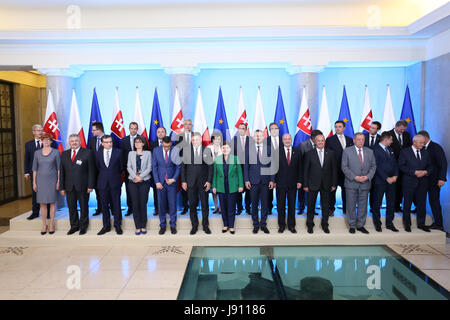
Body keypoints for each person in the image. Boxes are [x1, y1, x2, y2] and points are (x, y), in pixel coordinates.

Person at [60, 134, 95, 235]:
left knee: (84, 207)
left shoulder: (87, 153)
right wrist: (62, 187)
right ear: (69, 142)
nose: (74, 142)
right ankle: (74, 226)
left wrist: (90, 185)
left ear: (80, 142)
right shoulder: (64, 154)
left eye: (76, 140)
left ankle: (83, 226)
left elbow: (91, 171)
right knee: (72, 207)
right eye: (72, 141)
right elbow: (62, 172)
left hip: (83, 186)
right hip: (69, 186)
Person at [341, 133, 376, 234]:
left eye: (362, 140)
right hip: (351, 183)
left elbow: (373, 166)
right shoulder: (347, 151)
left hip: (365, 183)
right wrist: (354, 177)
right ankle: (352, 225)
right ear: (354, 140)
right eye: (358, 139)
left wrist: (368, 177)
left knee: (363, 205)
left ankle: (360, 225)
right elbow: (344, 167)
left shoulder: (370, 151)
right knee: (350, 205)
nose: (361, 141)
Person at [302, 134, 337, 234]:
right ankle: (310, 224)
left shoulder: (331, 153)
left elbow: (334, 170)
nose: (320, 142)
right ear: (315, 142)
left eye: (322, 140)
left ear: (324, 141)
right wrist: (305, 184)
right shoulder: (309, 153)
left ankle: (325, 224)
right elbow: (306, 170)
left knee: (325, 206)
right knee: (311, 205)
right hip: (312, 184)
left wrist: (334, 184)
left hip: (327, 184)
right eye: (318, 141)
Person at [398, 134, 433, 232]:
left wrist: (426, 172)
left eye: (423, 142)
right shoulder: (405, 152)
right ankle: (407, 224)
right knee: (407, 203)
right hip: (409, 182)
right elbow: (401, 166)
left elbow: (431, 166)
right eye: (421, 142)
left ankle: (421, 224)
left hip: (423, 182)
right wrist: (414, 172)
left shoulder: (426, 152)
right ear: (414, 142)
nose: (423, 144)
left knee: (421, 204)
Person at [181, 132, 213, 235]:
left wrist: (209, 181)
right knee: (192, 205)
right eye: (193, 140)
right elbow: (183, 168)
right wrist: (184, 181)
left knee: (205, 205)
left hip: (203, 183)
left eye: (197, 139)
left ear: (201, 140)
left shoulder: (207, 150)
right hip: (190, 183)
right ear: (191, 140)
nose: (195, 141)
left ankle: (205, 226)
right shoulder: (186, 151)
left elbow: (210, 167)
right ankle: (194, 226)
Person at [244, 130, 275, 234]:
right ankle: (256, 225)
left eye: (260, 136)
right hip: (253, 181)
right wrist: (246, 180)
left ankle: (263, 224)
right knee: (254, 204)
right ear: (253, 137)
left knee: (265, 204)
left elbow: (272, 166)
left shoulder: (269, 149)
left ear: (264, 137)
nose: (258, 137)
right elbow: (246, 166)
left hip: (266, 181)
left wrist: (272, 179)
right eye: (256, 136)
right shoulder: (248, 149)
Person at [24, 124, 56, 220]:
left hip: (48, 172)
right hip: (34, 172)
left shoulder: (49, 142)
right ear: (33, 132)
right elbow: (27, 159)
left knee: (48, 192)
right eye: (38, 130)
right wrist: (26, 172)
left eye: (41, 130)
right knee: (35, 193)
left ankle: (49, 213)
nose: (40, 132)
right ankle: (35, 212)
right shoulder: (28, 144)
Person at [212, 142, 244, 234]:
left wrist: (241, 185)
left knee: (231, 207)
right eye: (223, 148)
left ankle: (231, 226)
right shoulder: (217, 159)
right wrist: (214, 186)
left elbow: (239, 173)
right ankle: (225, 225)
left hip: (232, 186)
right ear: (221, 149)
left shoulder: (235, 158)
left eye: (227, 148)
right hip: (221, 186)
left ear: (230, 149)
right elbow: (215, 174)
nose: (225, 149)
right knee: (223, 207)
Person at [418, 130, 447, 232]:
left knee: (434, 201)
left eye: (420, 139)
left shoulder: (436, 147)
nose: (419, 142)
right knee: (421, 200)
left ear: (425, 138)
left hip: (434, 180)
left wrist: (442, 178)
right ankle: (421, 221)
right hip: (423, 180)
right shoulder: (421, 148)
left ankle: (439, 224)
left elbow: (443, 164)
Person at [32, 133, 60, 235]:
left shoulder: (56, 152)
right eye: (44, 140)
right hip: (40, 181)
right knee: (42, 203)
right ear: (42, 141)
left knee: (52, 202)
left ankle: (51, 223)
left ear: (51, 141)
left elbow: (59, 168)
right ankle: (44, 224)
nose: (46, 142)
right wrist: (34, 182)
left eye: (48, 140)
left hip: (52, 181)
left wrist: (58, 181)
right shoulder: (37, 153)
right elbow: (34, 169)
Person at [95, 135, 124, 235]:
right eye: (106, 142)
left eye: (110, 142)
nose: (109, 144)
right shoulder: (98, 154)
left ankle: (117, 225)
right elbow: (98, 168)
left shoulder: (118, 152)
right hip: (102, 183)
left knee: (116, 204)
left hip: (115, 182)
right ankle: (106, 226)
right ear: (102, 143)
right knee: (104, 206)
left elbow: (121, 168)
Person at [152, 136, 181, 235]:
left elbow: (178, 166)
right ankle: (163, 225)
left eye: (168, 146)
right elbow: (154, 167)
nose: (166, 148)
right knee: (161, 205)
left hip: (172, 182)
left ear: (171, 144)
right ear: (162, 144)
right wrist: (157, 182)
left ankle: (173, 225)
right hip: (160, 183)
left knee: (172, 205)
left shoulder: (175, 150)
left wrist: (174, 179)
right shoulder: (156, 150)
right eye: (164, 146)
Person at [372, 132, 399, 232]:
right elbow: (376, 166)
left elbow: (396, 164)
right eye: (391, 140)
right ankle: (377, 224)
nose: (392, 142)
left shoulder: (391, 149)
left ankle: (389, 223)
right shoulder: (375, 150)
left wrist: (395, 176)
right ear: (386, 139)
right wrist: (386, 178)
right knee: (377, 203)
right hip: (380, 181)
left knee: (391, 203)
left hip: (392, 181)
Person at [275, 134, 302, 233]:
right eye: (285, 139)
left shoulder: (297, 151)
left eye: (289, 139)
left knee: (292, 205)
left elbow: (300, 168)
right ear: (282, 141)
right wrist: (274, 181)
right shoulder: (277, 152)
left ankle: (291, 226)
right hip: (280, 184)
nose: (287, 141)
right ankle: (281, 225)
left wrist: (299, 181)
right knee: (280, 205)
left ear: (291, 140)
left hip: (293, 184)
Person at [326, 121, 354, 216]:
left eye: (340, 126)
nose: (337, 128)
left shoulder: (350, 140)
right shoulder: (329, 140)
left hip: (347, 171)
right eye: (336, 127)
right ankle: (331, 209)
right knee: (332, 190)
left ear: (344, 128)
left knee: (346, 190)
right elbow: (328, 155)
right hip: (334, 170)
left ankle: (346, 208)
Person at [127, 136, 152, 235]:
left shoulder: (148, 153)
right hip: (132, 181)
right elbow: (128, 166)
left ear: (143, 144)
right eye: (136, 142)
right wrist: (135, 177)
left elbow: (149, 167)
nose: (137, 143)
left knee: (143, 203)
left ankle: (143, 226)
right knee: (135, 204)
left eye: (139, 142)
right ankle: (137, 226)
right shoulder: (131, 153)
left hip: (144, 181)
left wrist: (140, 177)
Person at [122, 122, 147, 217]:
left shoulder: (143, 139)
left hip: (141, 171)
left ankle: (140, 209)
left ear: (137, 129)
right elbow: (123, 156)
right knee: (129, 190)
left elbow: (146, 153)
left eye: (135, 128)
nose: (133, 130)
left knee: (141, 191)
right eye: (131, 128)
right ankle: (130, 208)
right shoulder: (124, 140)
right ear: (129, 129)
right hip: (128, 170)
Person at [388, 120, 412, 212]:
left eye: (404, 130)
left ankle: (398, 206)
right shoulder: (388, 134)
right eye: (401, 129)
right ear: (396, 126)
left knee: (401, 186)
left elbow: (409, 148)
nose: (402, 131)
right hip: (392, 164)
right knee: (392, 187)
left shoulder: (407, 135)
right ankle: (392, 206)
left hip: (403, 165)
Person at [298, 129, 323, 216]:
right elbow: (300, 161)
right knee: (302, 192)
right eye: (318, 138)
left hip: (315, 174)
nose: (321, 140)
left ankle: (312, 209)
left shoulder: (320, 145)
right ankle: (301, 208)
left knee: (313, 193)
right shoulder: (303, 145)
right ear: (314, 138)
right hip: (304, 173)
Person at [175, 119, 193, 215]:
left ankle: (194, 206)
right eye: (185, 124)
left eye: (189, 124)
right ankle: (185, 207)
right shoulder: (179, 137)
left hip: (194, 164)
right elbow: (177, 151)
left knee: (194, 186)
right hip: (183, 164)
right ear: (183, 125)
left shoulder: (196, 135)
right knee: (184, 186)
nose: (187, 126)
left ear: (192, 125)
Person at [233, 122, 251, 215]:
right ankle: (239, 208)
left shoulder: (251, 140)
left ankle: (248, 208)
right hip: (237, 168)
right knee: (238, 188)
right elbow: (232, 155)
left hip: (249, 168)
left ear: (246, 129)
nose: (241, 130)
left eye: (243, 128)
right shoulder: (234, 140)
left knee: (249, 189)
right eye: (240, 128)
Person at [87, 122, 105, 216]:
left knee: (107, 190)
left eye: (94, 130)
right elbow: (89, 153)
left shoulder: (109, 139)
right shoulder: (92, 140)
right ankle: (100, 208)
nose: (92, 132)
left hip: (106, 170)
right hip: (95, 170)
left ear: (99, 130)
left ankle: (111, 208)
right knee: (98, 190)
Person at [149, 126, 167, 216]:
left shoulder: (170, 143)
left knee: (167, 191)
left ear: (165, 133)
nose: (160, 133)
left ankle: (167, 208)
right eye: (158, 132)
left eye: (162, 132)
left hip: (167, 173)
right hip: (156, 172)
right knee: (156, 192)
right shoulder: (152, 144)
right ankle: (157, 209)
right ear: (156, 134)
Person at [364, 121, 382, 213]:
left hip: (376, 168)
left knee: (374, 189)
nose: (371, 129)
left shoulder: (381, 139)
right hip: (363, 167)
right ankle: (360, 206)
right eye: (370, 127)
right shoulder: (363, 137)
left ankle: (372, 206)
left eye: (373, 128)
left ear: (378, 129)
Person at [267, 122, 281, 216]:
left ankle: (280, 208)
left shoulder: (284, 140)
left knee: (281, 192)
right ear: (269, 130)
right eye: (272, 129)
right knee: (269, 192)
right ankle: (269, 208)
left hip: (282, 171)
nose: (274, 130)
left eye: (276, 128)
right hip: (269, 171)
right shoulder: (265, 141)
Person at [207, 133, 223, 214]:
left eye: (219, 139)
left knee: (220, 189)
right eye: (216, 139)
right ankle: (216, 207)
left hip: (220, 172)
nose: (217, 141)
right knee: (213, 190)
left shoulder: (223, 148)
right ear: (213, 140)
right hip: (211, 171)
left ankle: (220, 207)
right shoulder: (208, 148)